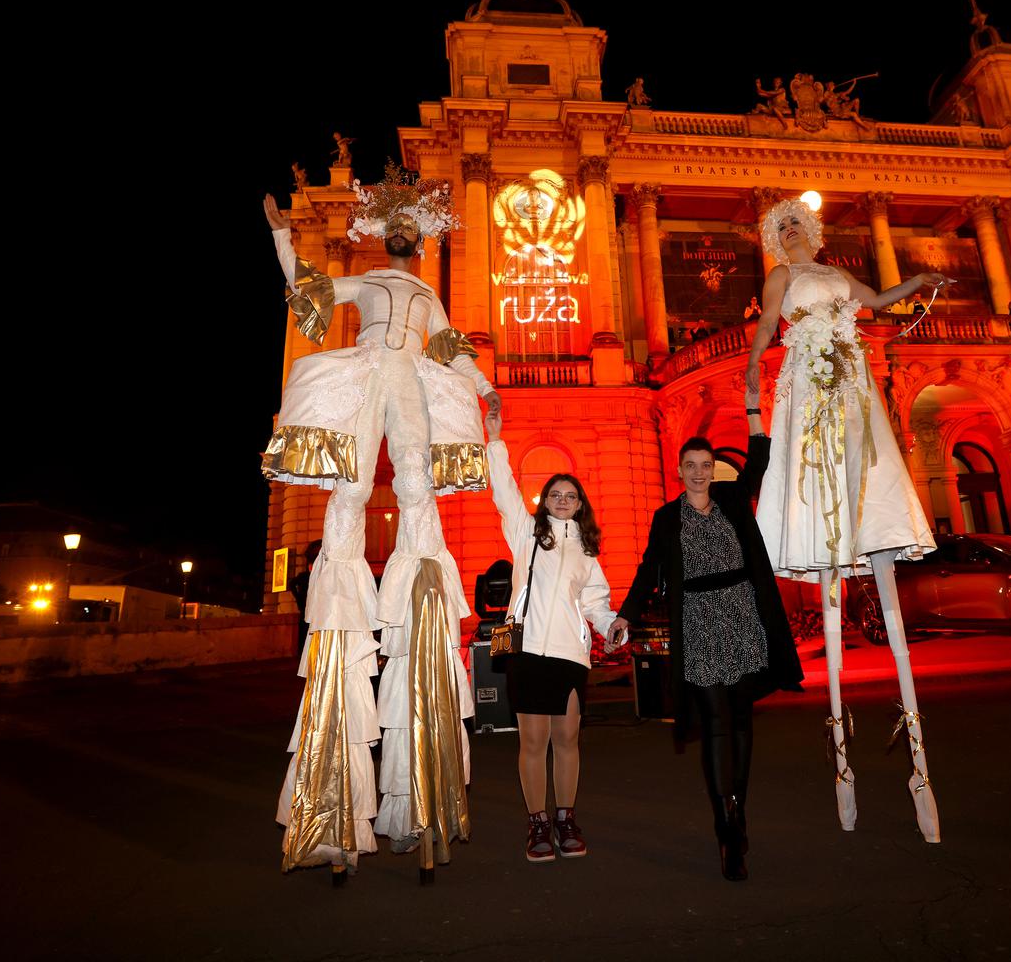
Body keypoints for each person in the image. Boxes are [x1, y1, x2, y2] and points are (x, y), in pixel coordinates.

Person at [263, 168, 501, 885]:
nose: (402, 233)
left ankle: (417, 582)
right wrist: (280, 233)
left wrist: (487, 393)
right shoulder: (365, 279)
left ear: (420, 238)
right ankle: (344, 589)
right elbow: (309, 288)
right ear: (385, 234)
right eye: (394, 224)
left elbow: (454, 346)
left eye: (411, 225)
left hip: (410, 382)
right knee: (352, 488)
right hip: (368, 372)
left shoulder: (428, 293)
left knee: (419, 488)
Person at [744, 197, 947, 844]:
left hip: (851, 371)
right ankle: (842, 768)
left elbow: (879, 300)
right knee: (819, 455)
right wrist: (751, 377)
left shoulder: (835, 275)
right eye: (783, 228)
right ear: (776, 240)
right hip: (810, 375)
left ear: (814, 232)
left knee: (867, 452)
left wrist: (917, 283)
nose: (793, 232)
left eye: (799, 224)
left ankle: (917, 766)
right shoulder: (783, 278)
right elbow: (763, 329)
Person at [617, 429, 803, 881]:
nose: (699, 473)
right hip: (698, 623)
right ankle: (725, 822)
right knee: (716, 719)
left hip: (741, 615)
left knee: (740, 719)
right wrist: (626, 614)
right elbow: (648, 569)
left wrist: (755, 413)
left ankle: (738, 808)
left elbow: (757, 463)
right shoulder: (666, 519)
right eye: (691, 466)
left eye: (706, 465)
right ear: (679, 471)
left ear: (712, 469)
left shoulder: (733, 501)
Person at [484, 411, 626, 861]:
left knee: (567, 741)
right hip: (526, 652)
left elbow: (594, 603)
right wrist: (495, 441)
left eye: (571, 495)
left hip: (569, 655)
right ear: (545, 500)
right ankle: (537, 825)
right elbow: (504, 492)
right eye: (555, 494)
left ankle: (566, 819)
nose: (563, 500)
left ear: (580, 504)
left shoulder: (587, 550)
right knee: (533, 742)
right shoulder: (527, 534)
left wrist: (611, 625)